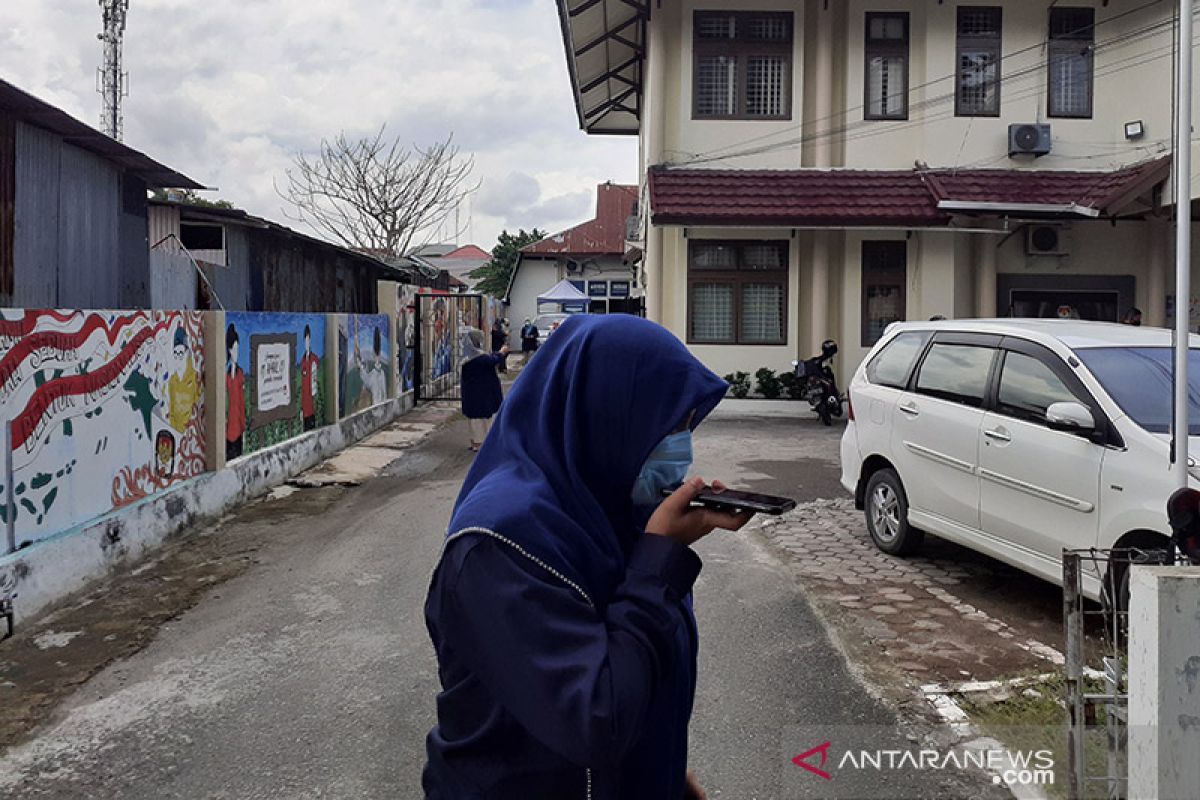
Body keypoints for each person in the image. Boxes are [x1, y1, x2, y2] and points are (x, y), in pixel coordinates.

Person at [424, 314, 753, 799]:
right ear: (604, 411)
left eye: (686, 426)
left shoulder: (605, 508)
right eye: (668, 426)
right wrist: (659, 561)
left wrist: (664, 775)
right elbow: (597, 718)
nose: (682, 447)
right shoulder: (499, 542)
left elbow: (636, 663)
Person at [459, 327, 506, 452]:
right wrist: (501, 352)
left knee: (475, 418)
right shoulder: (478, 358)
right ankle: (481, 443)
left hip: (472, 393)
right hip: (483, 393)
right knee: (483, 419)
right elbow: (492, 360)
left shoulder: (467, 357)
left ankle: (476, 441)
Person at [300, 324, 321, 430]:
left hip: (312, 406)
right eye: (305, 340)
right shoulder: (302, 362)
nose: (307, 343)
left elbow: (316, 381)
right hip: (305, 406)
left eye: (308, 340)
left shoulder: (314, 360)